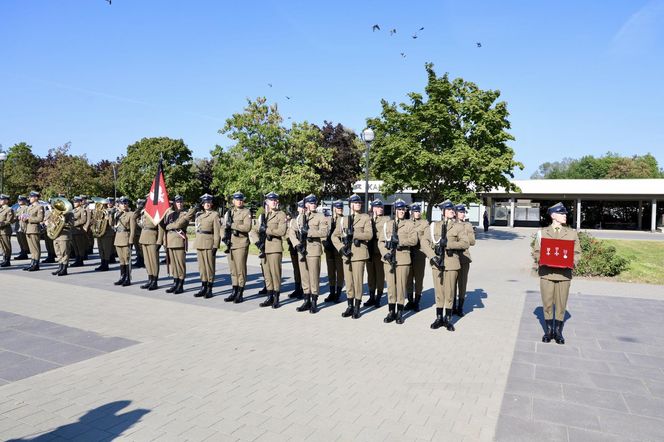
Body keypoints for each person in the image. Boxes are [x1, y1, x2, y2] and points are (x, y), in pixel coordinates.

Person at [533, 202, 581, 345]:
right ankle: (548, 330)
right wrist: (542, 259)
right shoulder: (542, 233)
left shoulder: (572, 233)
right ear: (553, 216)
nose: (565, 215)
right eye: (562, 213)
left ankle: (558, 331)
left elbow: (577, 253)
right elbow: (536, 251)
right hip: (547, 272)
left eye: (565, 213)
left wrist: (572, 262)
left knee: (561, 303)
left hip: (564, 274)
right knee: (547, 302)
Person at [425, 200, 469, 331]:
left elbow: (465, 243)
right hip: (437, 263)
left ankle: (448, 319)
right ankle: (439, 318)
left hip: (451, 263)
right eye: (449, 209)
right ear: (443, 211)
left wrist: (449, 245)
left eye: (453, 209)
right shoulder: (434, 226)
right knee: (439, 292)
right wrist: (432, 256)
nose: (452, 211)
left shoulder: (458, 227)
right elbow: (424, 241)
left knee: (449, 292)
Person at [378, 199, 418, 324]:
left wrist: (400, 241)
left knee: (401, 287)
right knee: (390, 286)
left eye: (403, 209)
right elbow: (381, 242)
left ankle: (400, 312)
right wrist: (385, 254)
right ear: (395, 210)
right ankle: (391, 311)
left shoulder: (409, 224)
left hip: (403, 259)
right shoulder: (387, 224)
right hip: (389, 259)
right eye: (399, 209)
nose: (401, 211)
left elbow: (414, 240)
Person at [332, 194, 372, 318]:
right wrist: (340, 248)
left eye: (359, 202)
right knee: (348, 281)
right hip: (346, 254)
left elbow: (369, 235)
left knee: (358, 281)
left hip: (359, 254)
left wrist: (355, 234)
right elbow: (334, 236)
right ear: (350, 205)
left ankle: (357, 307)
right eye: (355, 203)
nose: (358, 204)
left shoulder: (365, 218)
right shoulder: (343, 219)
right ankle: (349, 305)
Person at [292, 194, 329, 314]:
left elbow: (324, 232)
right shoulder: (300, 217)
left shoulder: (320, 216)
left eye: (315, 203)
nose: (314, 205)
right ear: (306, 204)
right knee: (304, 276)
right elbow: (291, 231)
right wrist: (296, 244)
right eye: (311, 203)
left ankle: (314, 302)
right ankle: (306, 300)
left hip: (313, 250)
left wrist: (309, 232)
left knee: (314, 277)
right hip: (302, 250)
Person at [257, 192, 288, 309]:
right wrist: (257, 242)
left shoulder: (281, 215)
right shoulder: (264, 215)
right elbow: (254, 230)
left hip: (275, 248)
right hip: (264, 248)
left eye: (275, 200)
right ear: (267, 202)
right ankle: (269, 296)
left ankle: (276, 298)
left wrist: (268, 230)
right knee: (267, 274)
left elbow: (281, 231)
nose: (274, 202)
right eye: (271, 200)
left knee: (275, 274)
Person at [223, 192, 252, 303]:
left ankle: (240, 293)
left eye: (241, 199)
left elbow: (247, 227)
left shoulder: (246, 212)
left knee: (240, 270)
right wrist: (223, 237)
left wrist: (233, 225)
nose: (239, 201)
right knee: (233, 270)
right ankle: (234, 291)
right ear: (233, 201)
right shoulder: (229, 212)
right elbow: (223, 226)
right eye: (237, 199)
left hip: (241, 243)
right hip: (231, 244)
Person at [163, 196, 193, 294]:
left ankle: (180, 285)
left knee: (180, 265)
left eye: (181, 202)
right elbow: (164, 227)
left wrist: (169, 226)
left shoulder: (185, 214)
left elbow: (179, 225)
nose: (179, 203)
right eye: (177, 202)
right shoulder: (170, 214)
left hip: (179, 241)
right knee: (174, 265)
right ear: (174, 204)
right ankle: (175, 282)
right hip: (170, 241)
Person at [193, 194, 221, 299]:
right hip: (200, 243)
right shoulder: (199, 215)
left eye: (209, 202)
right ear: (202, 204)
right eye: (205, 203)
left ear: (211, 204)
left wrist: (216, 245)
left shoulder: (215, 215)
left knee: (209, 267)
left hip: (209, 243)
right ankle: (203, 287)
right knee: (202, 267)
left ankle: (209, 289)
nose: (207, 204)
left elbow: (217, 232)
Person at [405, 203, 429, 312]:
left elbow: (426, 237)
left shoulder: (424, 223)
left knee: (419, 278)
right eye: (415, 211)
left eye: (419, 211)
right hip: (408, 252)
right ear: (411, 212)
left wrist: (413, 238)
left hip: (419, 253)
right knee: (408, 278)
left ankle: (417, 302)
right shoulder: (406, 223)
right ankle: (410, 301)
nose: (417, 213)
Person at [365, 199, 389, 308]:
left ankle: (378, 297)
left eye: (381, 207)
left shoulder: (386, 219)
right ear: (373, 208)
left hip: (379, 251)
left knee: (380, 275)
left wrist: (374, 234)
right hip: (369, 250)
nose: (380, 209)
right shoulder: (367, 218)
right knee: (370, 275)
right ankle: (371, 296)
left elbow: (385, 234)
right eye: (377, 207)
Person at [454, 204, 476, 317]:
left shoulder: (468, 225)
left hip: (464, 258)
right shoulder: (451, 224)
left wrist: (459, 239)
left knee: (462, 284)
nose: (463, 214)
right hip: (452, 257)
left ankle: (460, 307)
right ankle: (452, 306)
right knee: (451, 283)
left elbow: (472, 241)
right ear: (455, 213)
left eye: (464, 212)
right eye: (461, 212)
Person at [139, 198, 164, 291]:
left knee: (153, 261)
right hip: (144, 238)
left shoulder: (157, 212)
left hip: (153, 238)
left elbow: (161, 228)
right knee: (147, 261)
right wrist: (139, 208)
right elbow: (135, 218)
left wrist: (159, 241)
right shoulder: (144, 212)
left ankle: (155, 281)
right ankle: (150, 279)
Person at [323, 200, 345, 303]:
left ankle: (338, 293)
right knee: (331, 272)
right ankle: (332, 293)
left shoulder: (344, 220)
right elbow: (323, 231)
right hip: (329, 249)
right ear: (334, 209)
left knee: (340, 272)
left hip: (338, 249)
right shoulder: (328, 219)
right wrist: (324, 241)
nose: (339, 209)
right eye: (337, 208)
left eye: (341, 208)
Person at [112, 197, 136, 286]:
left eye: (125, 203)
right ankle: (122, 277)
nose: (124, 205)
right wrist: (111, 215)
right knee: (121, 260)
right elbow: (112, 224)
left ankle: (128, 278)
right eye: (122, 203)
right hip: (118, 238)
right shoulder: (117, 214)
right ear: (119, 204)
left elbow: (133, 229)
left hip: (126, 238)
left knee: (127, 260)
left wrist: (131, 240)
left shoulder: (131, 214)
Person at [50, 200, 74, 277]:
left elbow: (71, 224)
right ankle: (60, 267)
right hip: (56, 235)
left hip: (64, 236)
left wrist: (62, 223)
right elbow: (51, 221)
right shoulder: (55, 213)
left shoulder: (70, 214)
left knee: (64, 252)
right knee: (58, 252)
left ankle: (64, 269)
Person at [22, 191, 44, 272]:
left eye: (31, 197)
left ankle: (36, 264)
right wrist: (23, 218)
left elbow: (40, 219)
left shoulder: (39, 207)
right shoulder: (29, 207)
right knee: (31, 248)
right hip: (28, 229)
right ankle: (32, 262)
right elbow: (27, 216)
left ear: (36, 198)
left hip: (34, 229)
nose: (30, 198)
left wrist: (29, 219)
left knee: (36, 248)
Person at [94, 197, 116, 272]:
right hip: (99, 233)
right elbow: (96, 221)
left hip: (107, 233)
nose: (99, 205)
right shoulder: (98, 212)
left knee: (106, 250)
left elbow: (111, 223)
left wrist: (108, 217)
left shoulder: (110, 211)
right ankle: (102, 263)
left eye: (101, 204)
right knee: (100, 249)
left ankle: (106, 264)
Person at [70, 196, 88, 267]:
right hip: (73, 231)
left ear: (80, 202)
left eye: (76, 202)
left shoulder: (82, 210)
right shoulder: (73, 210)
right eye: (74, 202)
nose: (74, 203)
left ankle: (80, 260)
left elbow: (83, 220)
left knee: (80, 247)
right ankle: (77, 259)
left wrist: (74, 223)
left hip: (79, 231)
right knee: (75, 247)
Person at [0, 194, 14, 267]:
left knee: (7, 246)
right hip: (1, 230)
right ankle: (4, 259)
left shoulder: (9, 209)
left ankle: (7, 260)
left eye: (2, 199)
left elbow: (9, 221)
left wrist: (1, 224)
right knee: (2, 246)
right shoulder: (1, 209)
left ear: (6, 201)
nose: (0, 201)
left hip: (5, 230)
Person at [14, 196, 30, 260]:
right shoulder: (18, 208)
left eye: (21, 200)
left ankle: (24, 253)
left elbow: (28, 216)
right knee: (20, 241)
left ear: (25, 201)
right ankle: (22, 252)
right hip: (18, 226)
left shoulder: (26, 208)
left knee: (24, 241)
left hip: (23, 226)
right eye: (18, 200)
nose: (19, 201)